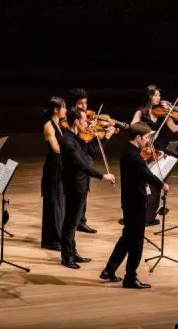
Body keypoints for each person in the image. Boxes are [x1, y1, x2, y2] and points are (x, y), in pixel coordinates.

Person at [100, 122, 170, 289]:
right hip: (135, 201)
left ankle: (109, 270)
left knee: (128, 237)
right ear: (138, 137)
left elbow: (141, 169)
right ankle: (130, 277)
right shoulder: (133, 155)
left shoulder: (131, 151)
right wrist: (162, 185)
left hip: (130, 200)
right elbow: (145, 173)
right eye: (146, 138)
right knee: (136, 241)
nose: (148, 142)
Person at [59, 107, 115, 269]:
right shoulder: (67, 141)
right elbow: (81, 164)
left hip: (81, 184)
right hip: (74, 185)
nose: (88, 124)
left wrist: (105, 138)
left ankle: (72, 252)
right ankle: (66, 257)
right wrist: (101, 176)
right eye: (84, 120)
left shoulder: (77, 138)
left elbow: (93, 154)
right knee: (70, 222)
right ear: (76, 121)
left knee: (75, 220)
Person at [130, 85, 178, 226]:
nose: (159, 98)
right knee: (144, 182)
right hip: (145, 150)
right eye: (156, 95)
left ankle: (150, 216)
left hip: (159, 150)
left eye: (159, 95)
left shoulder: (163, 113)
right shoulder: (141, 112)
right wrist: (148, 132)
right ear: (149, 96)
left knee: (157, 183)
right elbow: (132, 128)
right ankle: (140, 214)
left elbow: (173, 128)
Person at [68, 88, 116, 234]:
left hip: (86, 161)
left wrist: (104, 136)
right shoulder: (71, 123)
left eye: (85, 103)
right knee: (77, 194)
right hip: (75, 165)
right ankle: (73, 222)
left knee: (84, 192)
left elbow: (93, 152)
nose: (84, 106)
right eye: (80, 103)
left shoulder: (87, 124)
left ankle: (81, 221)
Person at [40, 96, 67, 251]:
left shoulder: (60, 124)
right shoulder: (49, 126)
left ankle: (56, 238)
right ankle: (53, 240)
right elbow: (56, 148)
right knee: (54, 202)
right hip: (53, 166)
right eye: (63, 107)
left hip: (60, 165)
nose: (66, 110)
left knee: (60, 202)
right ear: (56, 109)